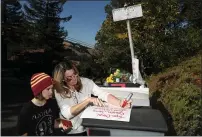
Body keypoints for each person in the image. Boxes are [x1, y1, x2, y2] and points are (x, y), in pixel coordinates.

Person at [53, 61, 132, 136]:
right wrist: (88, 100)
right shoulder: (58, 90)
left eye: (75, 74)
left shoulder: (86, 82)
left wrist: (119, 103)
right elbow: (67, 113)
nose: (74, 78)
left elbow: (103, 94)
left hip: (87, 128)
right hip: (70, 132)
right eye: (69, 78)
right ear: (62, 79)